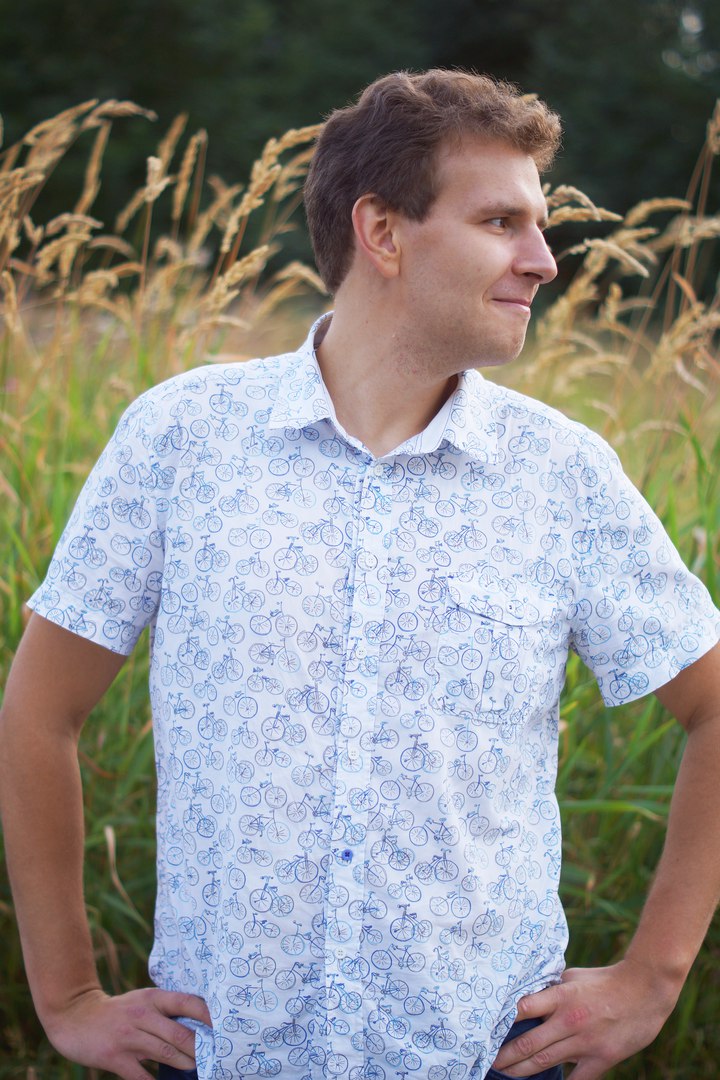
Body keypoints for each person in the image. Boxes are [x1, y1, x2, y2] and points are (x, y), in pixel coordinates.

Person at [1, 69, 719, 1080]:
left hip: (483, 1057)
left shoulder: (563, 477)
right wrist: (68, 997)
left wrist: (652, 978)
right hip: (224, 1053)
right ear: (382, 231)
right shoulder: (181, 439)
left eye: (541, 225)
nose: (544, 260)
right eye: (502, 222)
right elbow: (40, 712)